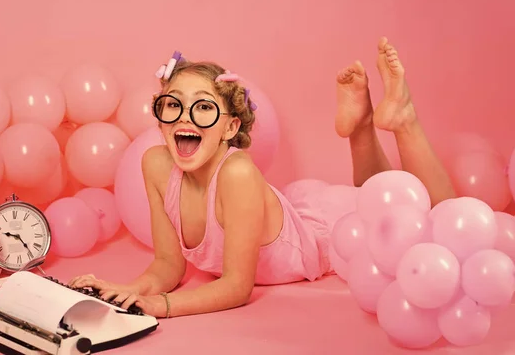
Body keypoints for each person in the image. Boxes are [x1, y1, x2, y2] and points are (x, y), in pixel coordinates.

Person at [68, 37, 456, 318]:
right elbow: (169, 265)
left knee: (440, 223)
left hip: (327, 236)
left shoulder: (236, 171)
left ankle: (403, 120)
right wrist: (128, 291)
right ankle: (363, 127)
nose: (184, 117)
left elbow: (238, 287)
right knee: (372, 197)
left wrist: (163, 306)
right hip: (302, 212)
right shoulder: (155, 164)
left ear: (229, 126)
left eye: (203, 108)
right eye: (173, 106)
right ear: (161, 118)